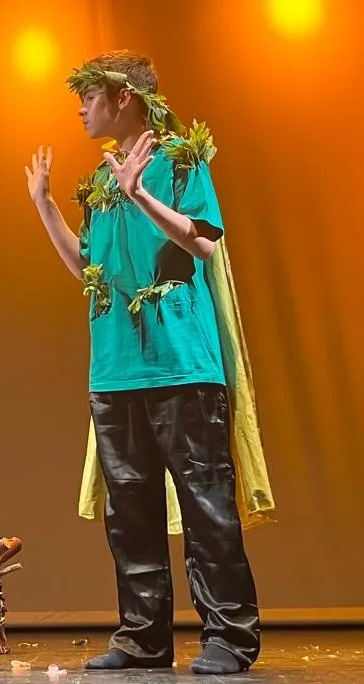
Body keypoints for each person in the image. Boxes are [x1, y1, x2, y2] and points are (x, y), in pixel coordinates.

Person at [24, 50, 275, 675]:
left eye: (89, 95)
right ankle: (143, 638)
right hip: (115, 370)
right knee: (129, 512)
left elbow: (204, 240)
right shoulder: (103, 180)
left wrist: (140, 195)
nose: (80, 107)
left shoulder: (179, 160)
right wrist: (45, 205)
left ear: (123, 97)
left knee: (206, 507)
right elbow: (92, 269)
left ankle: (230, 638)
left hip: (182, 366)